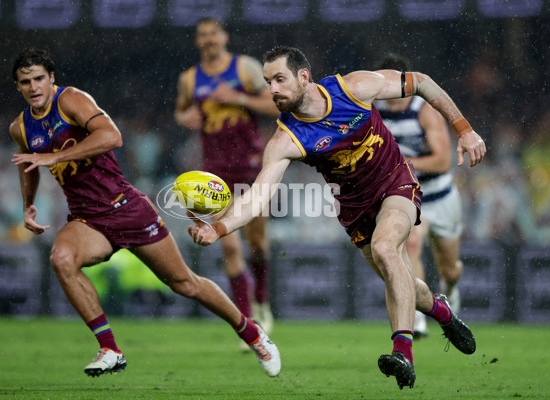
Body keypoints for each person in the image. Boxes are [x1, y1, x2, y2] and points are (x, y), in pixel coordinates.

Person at [188, 46, 485, 390]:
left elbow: (421, 82)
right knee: (398, 278)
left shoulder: (352, 88)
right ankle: (442, 311)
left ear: (303, 76)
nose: (273, 90)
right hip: (355, 210)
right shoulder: (287, 138)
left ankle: (402, 352)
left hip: (396, 183)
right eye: (269, 82)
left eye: (280, 79)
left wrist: (464, 129)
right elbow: (257, 197)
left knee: (387, 249)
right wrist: (219, 228)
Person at [9, 47, 280, 378]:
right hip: (87, 219)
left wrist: (55, 158)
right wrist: (28, 203)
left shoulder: (70, 100)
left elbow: (112, 136)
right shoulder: (20, 128)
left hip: (126, 207)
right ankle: (110, 349)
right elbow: (28, 163)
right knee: (61, 258)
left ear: (51, 79)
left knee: (186, 284)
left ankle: (253, 334)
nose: (34, 87)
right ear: (18, 86)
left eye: (39, 78)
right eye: (26, 82)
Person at [174, 17, 280, 343]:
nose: (209, 40)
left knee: (257, 242)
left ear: (224, 37)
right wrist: (184, 117)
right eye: (202, 35)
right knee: (229, 244)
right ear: (197, 41)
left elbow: (276, 105)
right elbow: (181, 110)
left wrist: (238, 99)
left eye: (213, 34)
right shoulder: (189, 79)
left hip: (250, 165)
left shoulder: (245, 68)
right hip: (214, 171)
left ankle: (261, 299)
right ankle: (249, 323)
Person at [375, 54, 464, 339]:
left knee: (450, 268)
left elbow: (442, 161)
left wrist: (405, 163)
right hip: (413, 194)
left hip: (441, 196)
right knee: (410, 243)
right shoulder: (374, 110)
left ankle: (449, 291)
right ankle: (418, 317)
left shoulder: (424, 110)